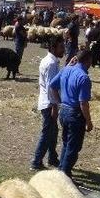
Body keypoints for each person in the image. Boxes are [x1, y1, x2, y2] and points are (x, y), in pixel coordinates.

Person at [49, 48, 94, 177]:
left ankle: (61, 169)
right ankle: (65, 174)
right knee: (73, 146)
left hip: (64, 110)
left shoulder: (66, 69)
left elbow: (52, 85)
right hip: (75, 114)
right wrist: (89, 121)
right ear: (88, 60)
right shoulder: (84, 78)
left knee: (66, 142)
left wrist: (59, 102)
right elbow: (83, 103)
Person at [31, 37, 64, 170]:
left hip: (48, 102)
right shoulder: (51, 64)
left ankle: (52, 158)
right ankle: (36, 161)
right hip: (49, 104)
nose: (64, 49)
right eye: (61, 47)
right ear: (53, 48)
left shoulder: (50, 61)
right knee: (47, 133)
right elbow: (51, 86)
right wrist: (54, 106)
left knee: (53, 132)